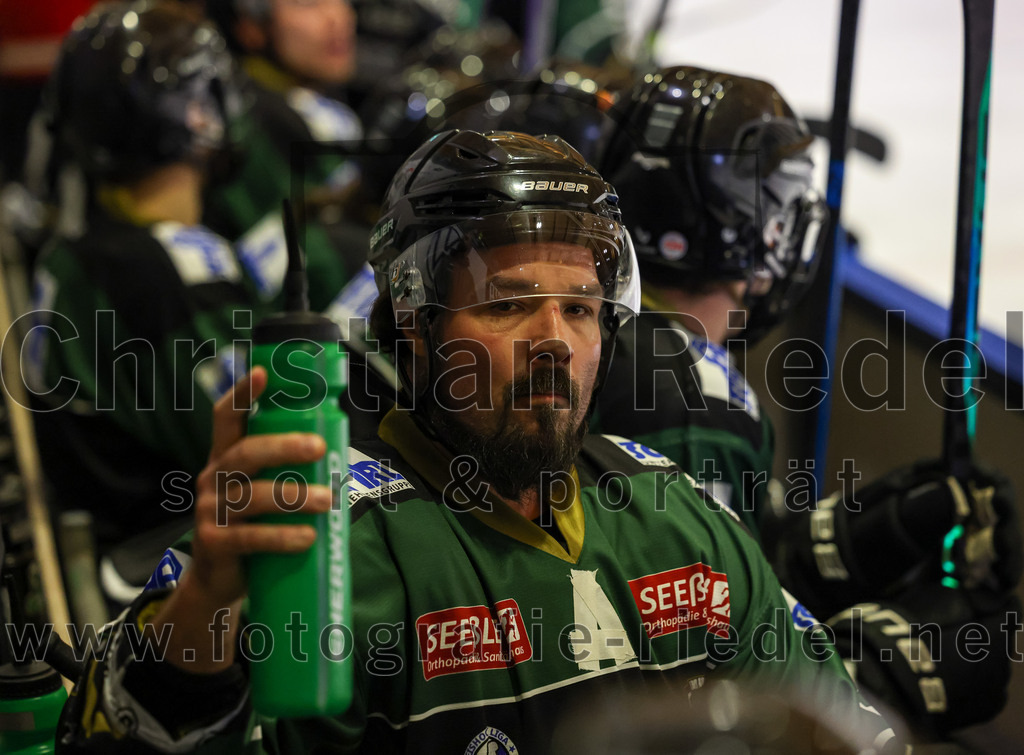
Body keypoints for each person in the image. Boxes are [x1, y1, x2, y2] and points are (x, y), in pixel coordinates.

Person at [56, 129, 897, 753]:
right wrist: (205, 601)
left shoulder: (681, 521)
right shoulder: (315, 551)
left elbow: (837, 730)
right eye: (506, 304)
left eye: (579, 307)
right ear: (415, 328)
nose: (556, 339)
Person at [589, 65, 1022, 739]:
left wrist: (812, 554)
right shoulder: (689, 392)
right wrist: (874, 682)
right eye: (785, 206)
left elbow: (662, 578)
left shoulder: (600, 332)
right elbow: (692, 684)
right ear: (750, 229)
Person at [26, 1, 265, 561]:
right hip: (161, 558)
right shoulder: (165, 270)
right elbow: (262, 449)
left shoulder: (73, 250)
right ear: (201, 112)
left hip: (100, 534)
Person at [201, 0, 367, 315]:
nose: (337, 18)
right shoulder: (253, 121)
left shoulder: (315, 104)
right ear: (250, 27)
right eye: (308, 4)